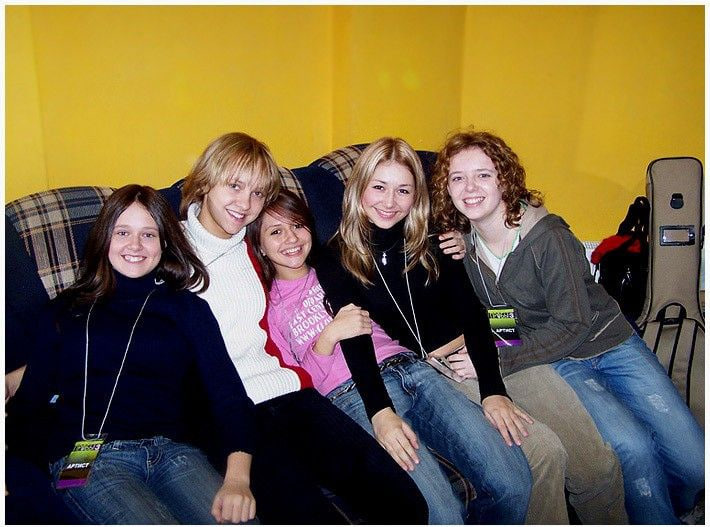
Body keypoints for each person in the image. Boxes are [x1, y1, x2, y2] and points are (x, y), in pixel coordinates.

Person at [430, 128, 705, 524]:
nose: (470, 188)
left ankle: (680, 509)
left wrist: (496, 361)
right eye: (458, 178)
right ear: (447, 188)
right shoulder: (464, 249)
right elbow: (500, 314)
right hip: (558, 360)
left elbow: (574, 325)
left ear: (504, 179)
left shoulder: (549, 237)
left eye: (483, 175)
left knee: (694, 461)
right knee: (632, 450)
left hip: (609, 343)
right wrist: (492, 349)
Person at [312, 137, 585, 524]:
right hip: (439, 368)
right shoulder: (335, 257)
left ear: (416, 196)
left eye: (403, 190)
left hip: (489, 347)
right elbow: (356, 336)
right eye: (379, 187)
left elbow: (476, 314)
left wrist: (492, 390)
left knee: (577, 456)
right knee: (544, 451)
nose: (390, 201)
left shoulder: (438, 241)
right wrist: (380, 412)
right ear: (358, 188)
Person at [179, 131, 428, 525]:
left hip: (289, 392)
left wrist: (451, 235)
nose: (245, 204)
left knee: (406, 504)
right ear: (205, 181)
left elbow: (336, 252)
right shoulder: (171, 251)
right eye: (234, 186)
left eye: (257, 193)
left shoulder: (253, 242)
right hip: (227, 408)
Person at [6, 184, 259, 524]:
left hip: (174, 453)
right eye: (122, 232)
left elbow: (229, 395)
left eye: (148, 234)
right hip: (87, 457)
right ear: (104, 238)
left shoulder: (188, 308)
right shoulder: (65, 311)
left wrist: (238, 479)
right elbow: (30, 402)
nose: (135, 245)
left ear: (164, 243)